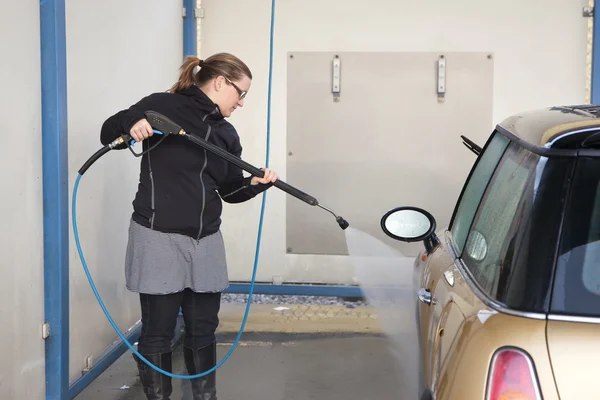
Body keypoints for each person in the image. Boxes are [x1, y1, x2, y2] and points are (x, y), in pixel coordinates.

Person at [100, 53, 278, 400]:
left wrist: (254, 185)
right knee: (159, 331)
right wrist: (131, 123)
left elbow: (230, 191)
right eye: (240, 93)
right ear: (220, 82)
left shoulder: (226, 134)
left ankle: (204, 396)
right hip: (157, 235)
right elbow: (109, 130)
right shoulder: (163, 106)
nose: (241, 102)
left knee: (203, 329)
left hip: (206, 240)